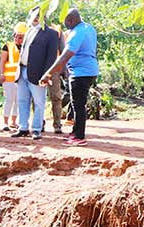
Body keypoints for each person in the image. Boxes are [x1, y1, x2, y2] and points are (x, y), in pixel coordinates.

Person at [41, 9, 99, 147]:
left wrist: (48, 73)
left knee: (78, 105)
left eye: (66, 21)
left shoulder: (77, 33)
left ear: (71, 20)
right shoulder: (89, 28)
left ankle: (79, 136)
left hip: (81, 73)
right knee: (77, 104)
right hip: (89, 70)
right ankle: (75, 132)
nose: (65, 25)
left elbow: (65, 55)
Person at [12, 7, 58, 140]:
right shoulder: (28, 31)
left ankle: (37, 129)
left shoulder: (51, 34)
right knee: (22, 101)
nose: (36, 17)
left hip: (38, 74)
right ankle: (23, 128)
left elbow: (51, 58)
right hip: (22, 71)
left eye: (39, 15)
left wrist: (46, 75)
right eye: (33, 15)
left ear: (44, 16)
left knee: (39, 102)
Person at [0, 22, 26, 132]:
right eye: (18, 36)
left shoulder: (26, 48)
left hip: (20, 79)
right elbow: (2, 61)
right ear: (14, 36)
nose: (19, 39)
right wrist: (1, 74)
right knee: (9, 100)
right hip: (9, 78)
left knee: (18, 101)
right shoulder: (7, 46)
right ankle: (5, 122)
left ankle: (14, 122)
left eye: (22, 37)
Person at [46, 24, 66, 134]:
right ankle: (39, 123)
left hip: (54, 68)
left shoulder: (57, 30)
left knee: (56, 97)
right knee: (37, 98)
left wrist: (64, 68)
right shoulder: (33, 28)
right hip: (38, 68)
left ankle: (57, 124)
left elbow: (63, 50)